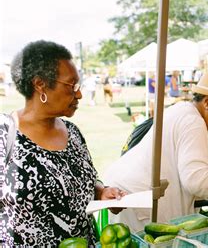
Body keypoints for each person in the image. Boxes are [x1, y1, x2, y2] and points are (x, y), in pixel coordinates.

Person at [104, 72, 208, 231]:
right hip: (138, 202)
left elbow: (190, 174)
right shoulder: (193, 121)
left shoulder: (183, 110)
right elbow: (198, 181)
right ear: (207, 102)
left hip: (127, 195)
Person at [0, 40, 125, 246]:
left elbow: (86, 181)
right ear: (40, 84)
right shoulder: (5, 135)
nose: (79, 94)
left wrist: (102, 191)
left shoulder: (73, 133)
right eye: (71, 85)